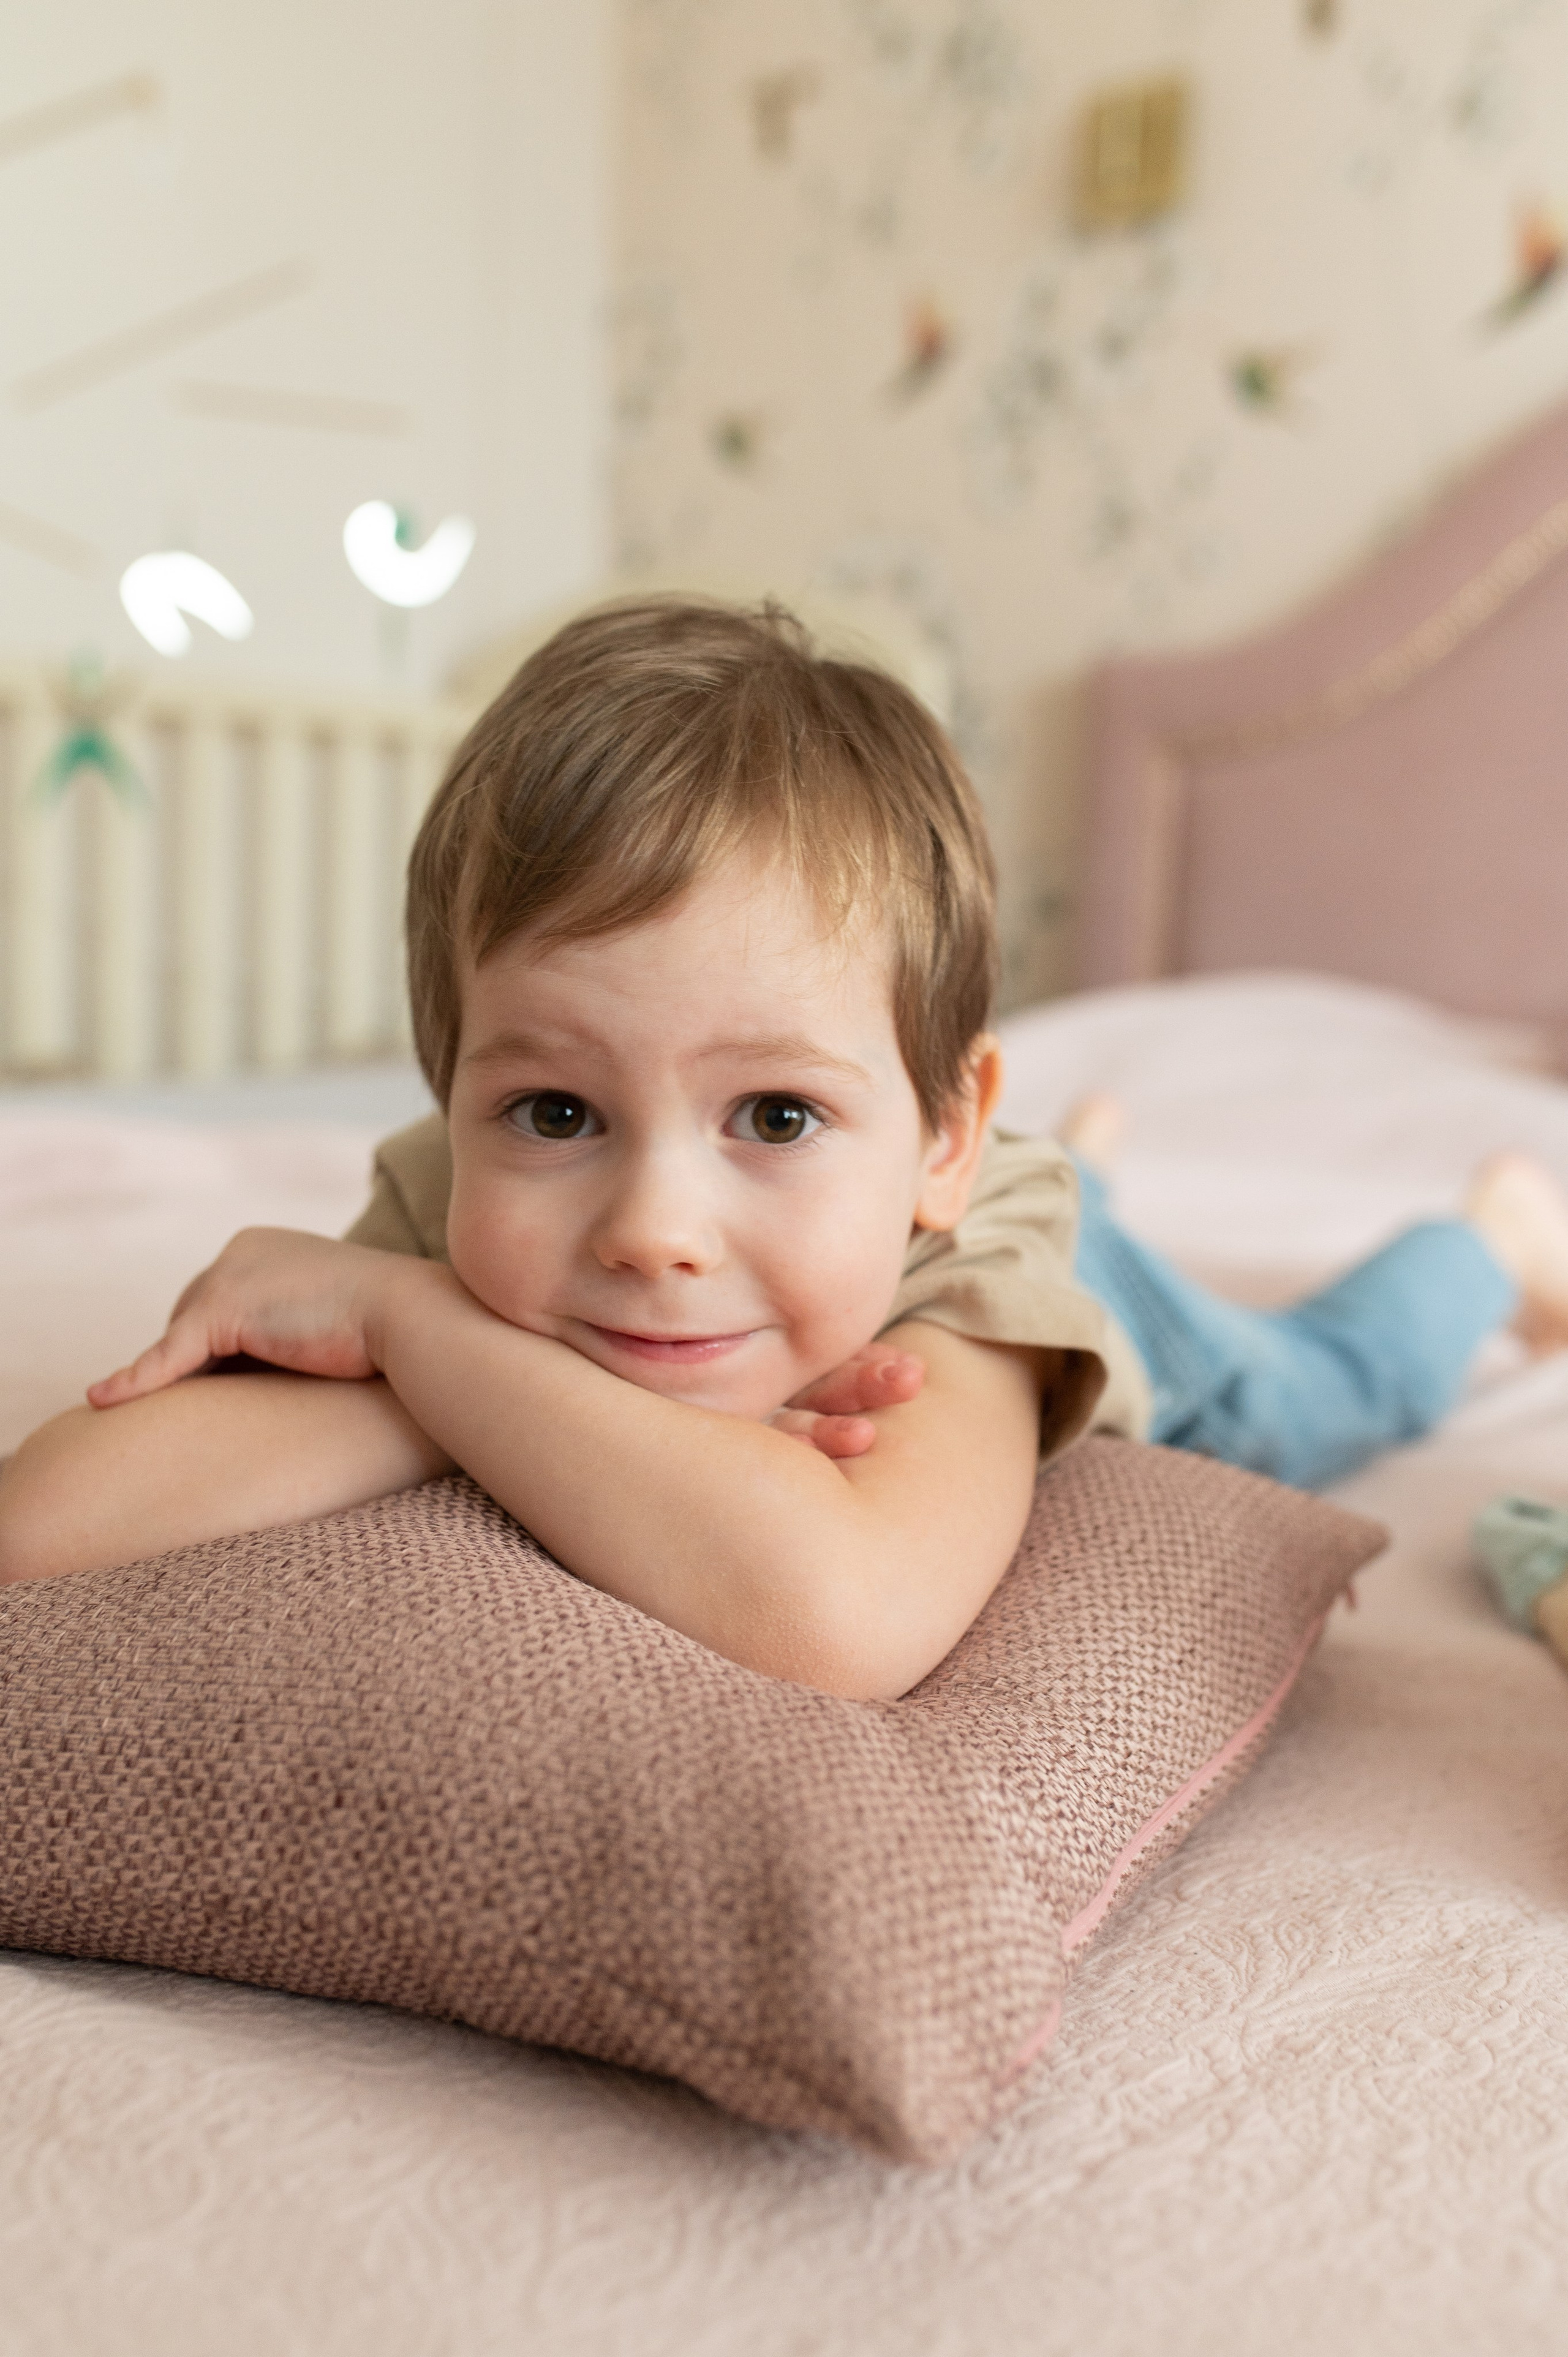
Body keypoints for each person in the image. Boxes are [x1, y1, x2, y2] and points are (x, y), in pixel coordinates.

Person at [2, 600, 1567, 1701]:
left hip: (1094, 1288)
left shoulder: (950, 1274)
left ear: (936, 1141)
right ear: (456, 1079)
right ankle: (1053, 1151)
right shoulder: (457, 1193)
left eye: (777, 1116)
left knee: (1317, 1388)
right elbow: (47, 1523)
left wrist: (417, 1333)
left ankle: (1484, 1238)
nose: (652, 1232)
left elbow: (838, 1614)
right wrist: (467, 1370)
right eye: (557, 1112)